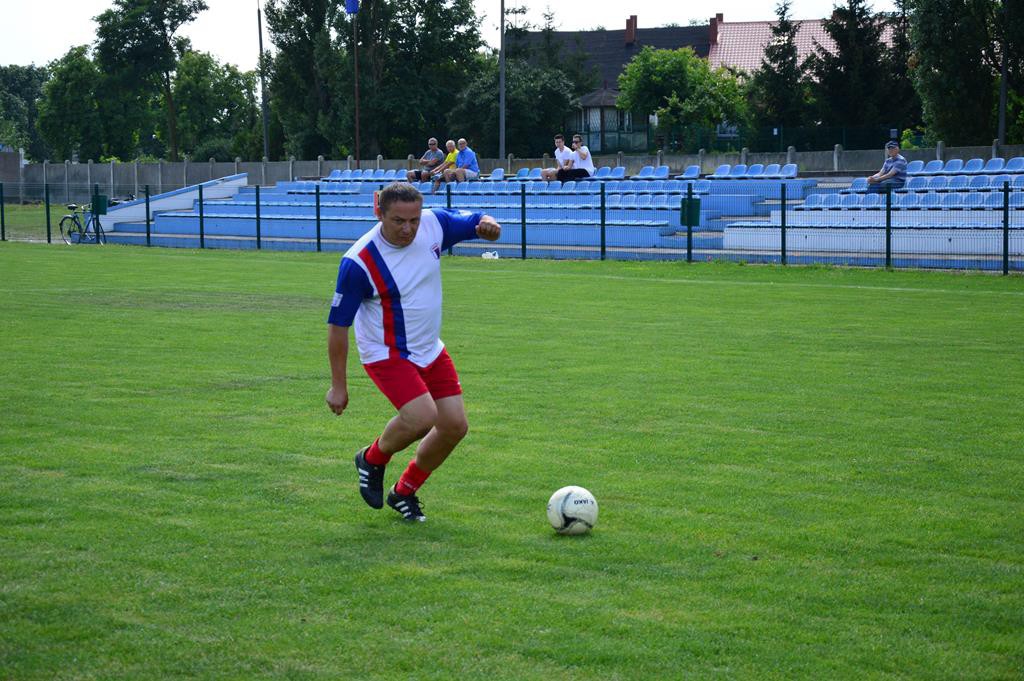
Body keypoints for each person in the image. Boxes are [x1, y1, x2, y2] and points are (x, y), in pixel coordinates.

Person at [325, 182, 502, 522]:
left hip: (429, 348)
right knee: (422, 417)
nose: (408, 229)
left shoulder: (434, 225)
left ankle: (404, 491)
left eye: (413, 220)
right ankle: (372, 458)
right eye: (398, 221)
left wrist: (490, 226)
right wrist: (338, 386)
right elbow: (337, 327)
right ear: (379, 213)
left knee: (454, 426)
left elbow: (477, 220)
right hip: (386, 353)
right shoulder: (358, 262)